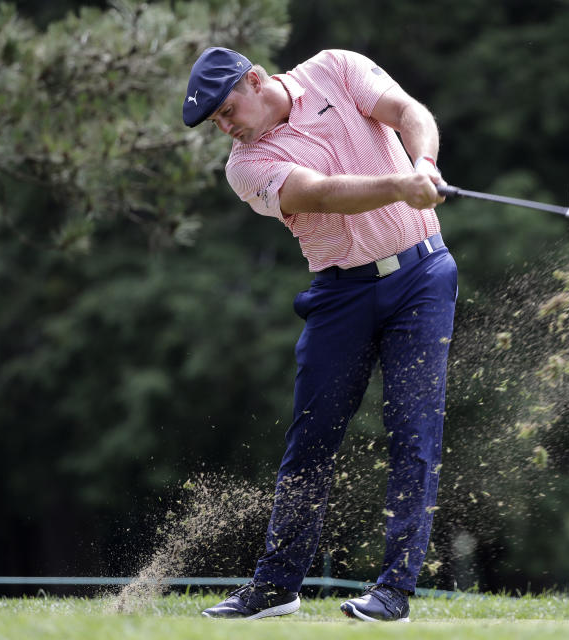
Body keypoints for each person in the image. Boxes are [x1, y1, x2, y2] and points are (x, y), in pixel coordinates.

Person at [182, 47, 457, 623]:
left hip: (422, 275)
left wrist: (424, 163)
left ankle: (394, 592)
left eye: (228, 110)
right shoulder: (245, 167)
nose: (226, 127)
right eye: (216, 123)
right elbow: (322, 192)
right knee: (312, 439)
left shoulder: (335, 67)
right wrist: (401, 184)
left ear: (255, 81)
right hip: (341, 294)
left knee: (414, 430)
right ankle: (276, 586)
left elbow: (409, 113)